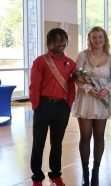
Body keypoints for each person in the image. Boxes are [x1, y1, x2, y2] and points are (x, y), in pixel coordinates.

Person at [29, 28, 76, 186]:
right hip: (43, 106)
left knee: (57, 143)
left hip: (62, 107)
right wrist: (36, 105)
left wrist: (68, 105)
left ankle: (55, 174)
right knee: (38, 142)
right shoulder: (40, 61)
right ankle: (37, 177)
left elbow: (71, 86)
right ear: (49, 42)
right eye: (56, 40)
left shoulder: (71, 63)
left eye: (63, 40)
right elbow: (34, 86)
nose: (60, 43)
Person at [72, 26, 111, 186]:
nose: (97, 40)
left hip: (102, 101)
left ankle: (95, 172)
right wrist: (88, 88)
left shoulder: (110, 59)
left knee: (99, 136)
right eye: (94, 37)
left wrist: (105, 90)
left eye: (100, 37)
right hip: (86, 99)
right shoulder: (83, 55)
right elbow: (75, 76)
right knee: (85, 136)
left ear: (105, 39)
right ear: (90, 39)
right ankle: (85, 172)